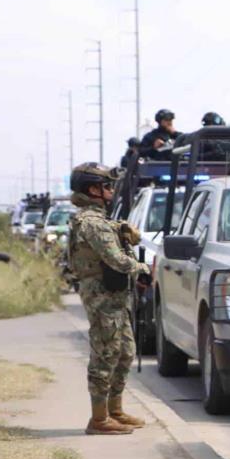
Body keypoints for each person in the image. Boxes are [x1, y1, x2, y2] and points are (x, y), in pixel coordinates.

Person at [68, 163, 151, 435]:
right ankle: (99, 418)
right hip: (101, 296)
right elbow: (114, 259)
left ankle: (115, 410)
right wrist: (141, 268)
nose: (111, 191)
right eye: (106, 186)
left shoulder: (102, 221)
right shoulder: (92, 222)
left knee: (125, 352)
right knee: (105, 354)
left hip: (114, 295)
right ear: (92, 189)